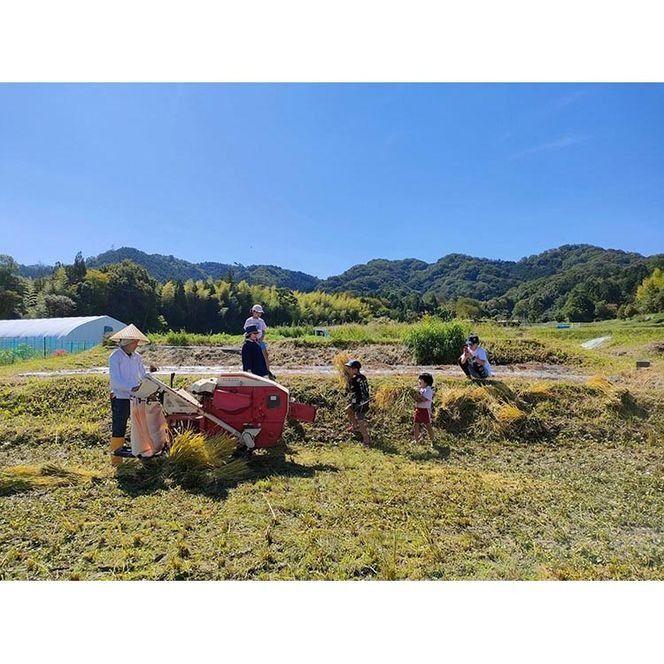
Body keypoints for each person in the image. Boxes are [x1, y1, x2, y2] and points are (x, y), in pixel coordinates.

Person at [108, 324, 156, 465]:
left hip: (136, 397)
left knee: (140, 425)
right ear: (127, 342)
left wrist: (150, 382)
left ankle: (143, 452)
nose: (136, 345)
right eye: (134, 343)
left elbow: (142, 375)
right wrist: (132, 388)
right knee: (119, 426)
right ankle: (116, 459)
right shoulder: (115, 357)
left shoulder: (137, 357)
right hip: (121, 397)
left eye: (136, 343)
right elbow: (116, 381)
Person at [344, 359, 371, 447]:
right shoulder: (363, 377)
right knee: (348, 409)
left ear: (355, 370)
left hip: (360, 403)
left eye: (350, 369)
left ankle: (366, 440)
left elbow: (350, 390)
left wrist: (348, 381)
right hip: (363, 401)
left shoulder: (355, 379)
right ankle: (355, 427)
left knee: (361, 421)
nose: (348, 370)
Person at [244, 304, 274, 379]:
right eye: (258, 312)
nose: (259, 314)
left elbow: (263, 331)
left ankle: (268, 371)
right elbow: (246, 331)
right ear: (253, 312)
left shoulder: (261, 321)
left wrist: (260, 340)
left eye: (260, 313)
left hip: (259, 341)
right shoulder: (249, 320)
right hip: (251, 342)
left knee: (265, 355)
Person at [412, 372, 435, 444]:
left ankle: (432, 440)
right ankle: (416, 440)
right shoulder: (421, 389)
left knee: (428, 425)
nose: (419, 382)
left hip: (425, 410)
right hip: (418, 409)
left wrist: (416, 395)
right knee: (416, 424)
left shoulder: (428, 390)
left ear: (426, 382)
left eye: (420, 381)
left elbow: (423, 399)